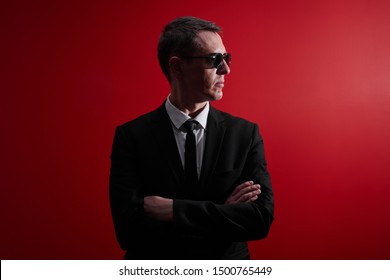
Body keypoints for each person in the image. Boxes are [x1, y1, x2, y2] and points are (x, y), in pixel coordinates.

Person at [109, 16, 274, 260]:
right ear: (177, 67)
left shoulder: (245, 134)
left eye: (226, 58)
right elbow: (129, 232)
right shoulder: (132, 137)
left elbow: (259, 220)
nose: (226, 69)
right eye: (214, 59)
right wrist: (223, 212)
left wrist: (174, 210)